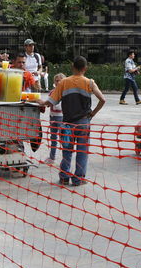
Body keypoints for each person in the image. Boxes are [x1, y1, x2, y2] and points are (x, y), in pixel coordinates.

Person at [38, 56, 106, 186]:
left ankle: (64, 177)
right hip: (83, 123)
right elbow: (102, 99)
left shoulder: (64, 82)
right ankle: (78, 179)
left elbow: (50, 102)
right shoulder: (90, 83)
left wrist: (40, 101)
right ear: (85, 68)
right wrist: (92, 113)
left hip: (67, 124)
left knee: (67, 151)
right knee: (82, 151)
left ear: (72, 67)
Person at [45, 73, 66, 165]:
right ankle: (52, 157)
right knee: (53, 138)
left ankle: (65, 158)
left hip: (61, 117)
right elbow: (48, 102)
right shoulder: (52, 92)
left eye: (60, 80)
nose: (58, 82)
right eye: (56, 80)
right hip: (52, 116)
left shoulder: (65, 92)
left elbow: (57, 105)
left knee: (63, 138)